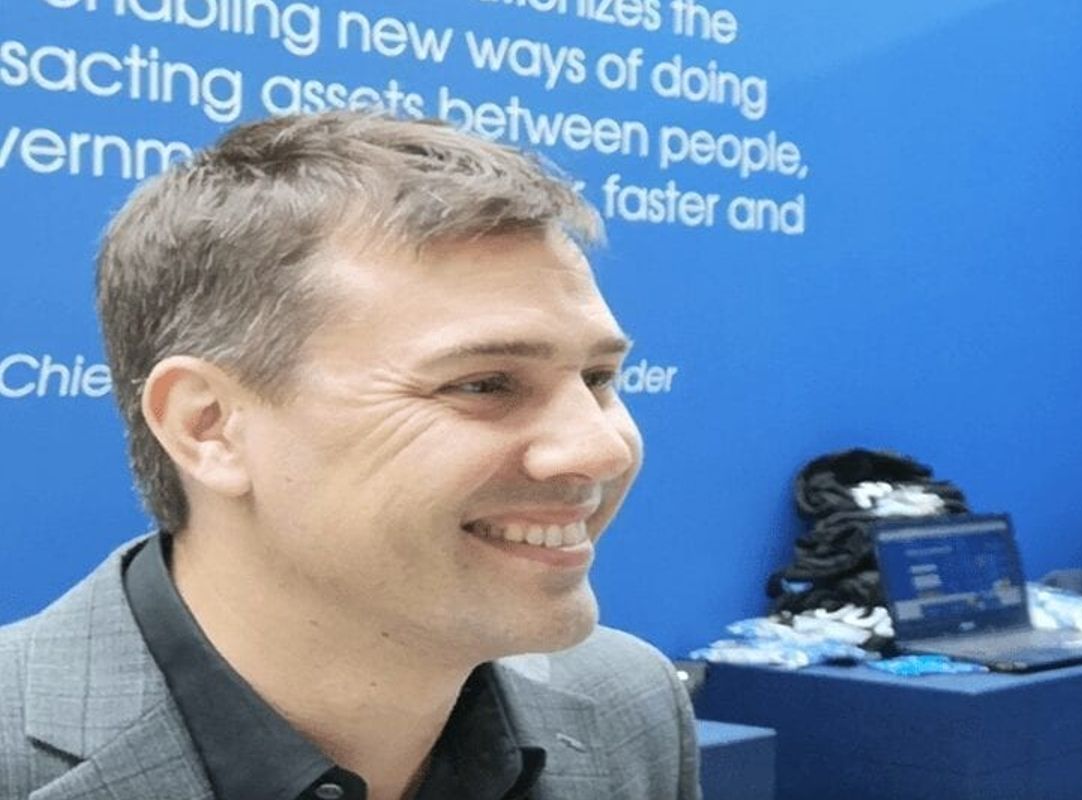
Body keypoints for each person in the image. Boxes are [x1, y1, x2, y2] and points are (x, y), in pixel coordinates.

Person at [0, 111, 700, 800]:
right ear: (209, 426)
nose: (601, 448)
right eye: (484, 384)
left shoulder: (627, 707)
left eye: (598, 378)